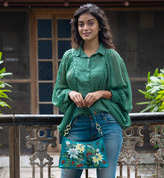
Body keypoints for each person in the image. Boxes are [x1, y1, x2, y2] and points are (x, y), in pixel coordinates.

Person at [52, 3, 132, 178]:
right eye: (81, 24)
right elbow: (58, 92)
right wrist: (70, 93)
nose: (85, 28)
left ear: (99, 26)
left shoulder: (111, 57)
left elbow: (124, 95)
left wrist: (101, 93)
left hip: (107, 126)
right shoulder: (69, 57)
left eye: (90, 23)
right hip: (77, 125)